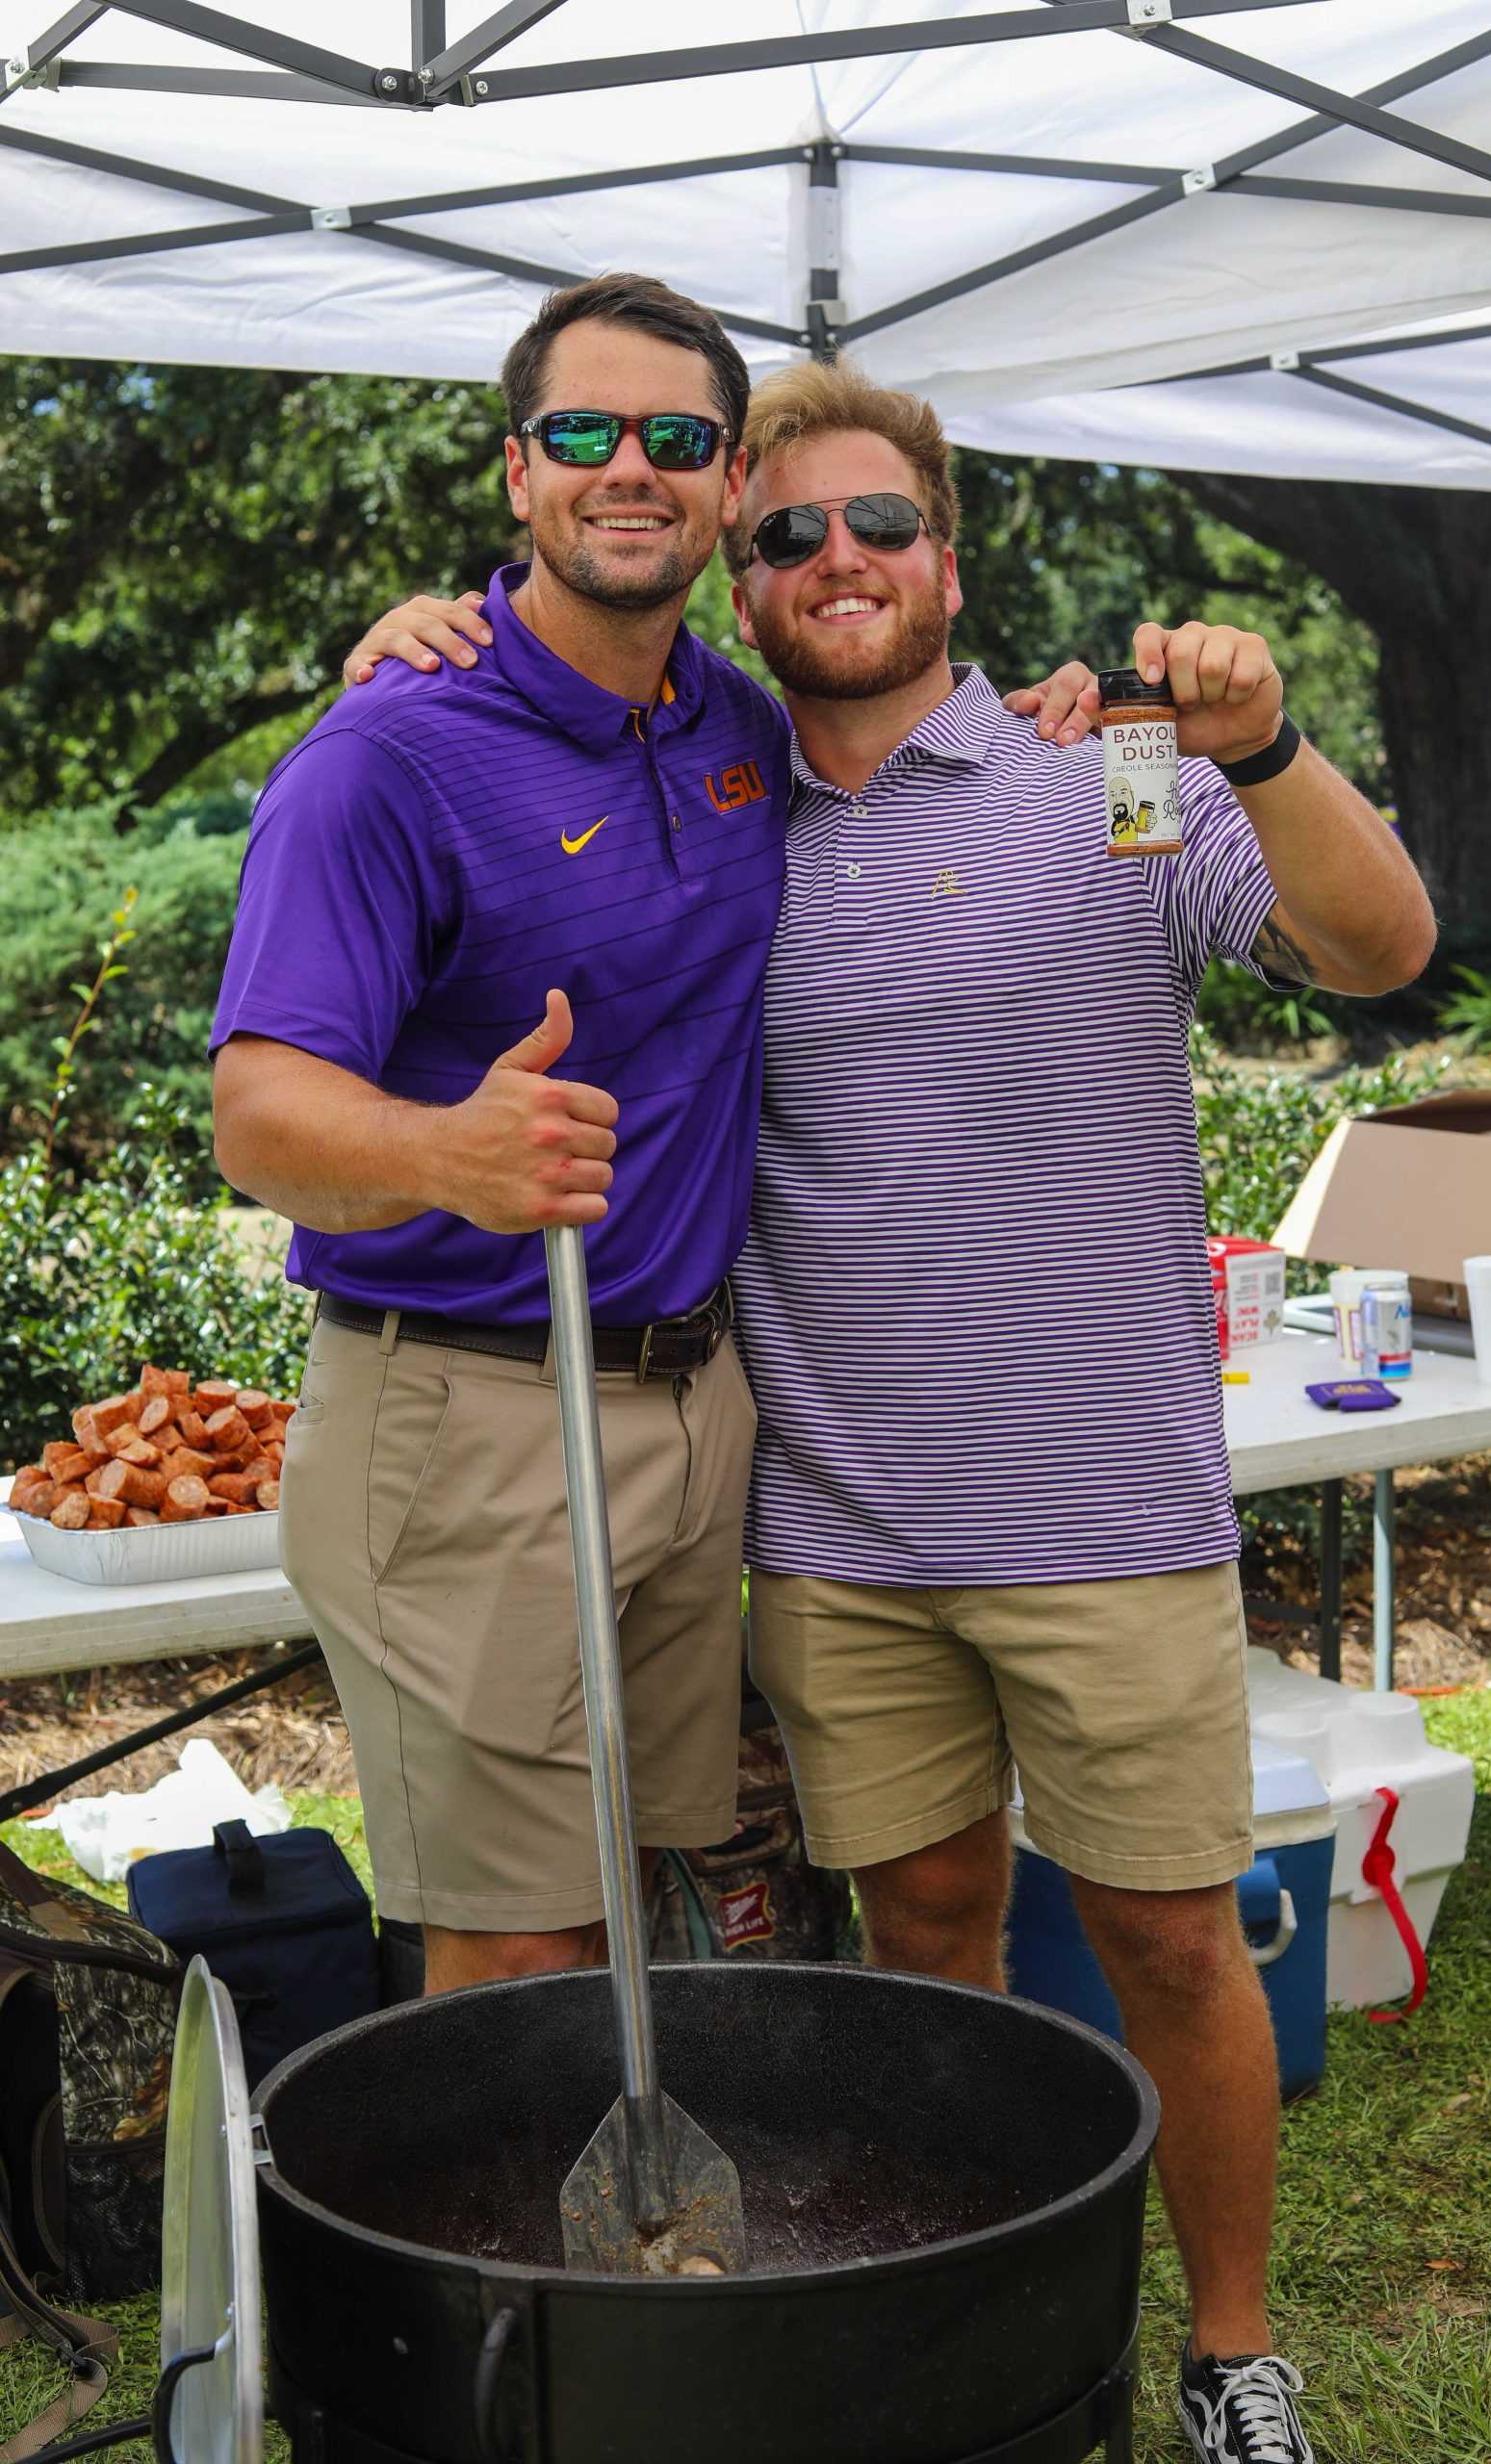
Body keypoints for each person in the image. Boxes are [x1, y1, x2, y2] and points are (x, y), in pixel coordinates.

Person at [351, 356, 1433, 2464]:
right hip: (834, 1537)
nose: (830, 558)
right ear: (744, 584)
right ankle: (981, 2310)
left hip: (1102, 1498)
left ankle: (1229, 2355)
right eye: (786, 535)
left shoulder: (1099, 774)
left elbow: (1372, 942)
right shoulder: (719, 795)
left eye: (875, 525)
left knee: (1167, 1939)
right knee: (920, 1944)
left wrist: (1261, 740)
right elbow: (525, 730)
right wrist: (395, 647)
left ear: (948, 553)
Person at [212, 275, 1094, 2003]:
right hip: (474, 1411)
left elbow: (907, 709)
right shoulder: (386, 753)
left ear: (722, 487)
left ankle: (629, 2254)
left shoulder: (737, 725)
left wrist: (1065, 709)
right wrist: (445, 1152)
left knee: (652, 1890)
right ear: (517, 475)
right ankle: (498, 2285)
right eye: (585, 433)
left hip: (700, 1414)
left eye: (679, 439)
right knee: (522, 1939)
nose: (634, 466)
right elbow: (258, 1111)